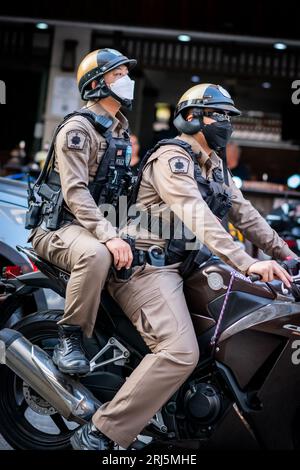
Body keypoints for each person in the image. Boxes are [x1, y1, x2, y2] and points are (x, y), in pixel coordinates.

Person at [70, 83, 296, 450]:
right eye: (216, 115)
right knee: (180, 352)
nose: (225, 123)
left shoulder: (215, 163)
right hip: (147, 266)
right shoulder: (172, 159)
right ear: (190, 118)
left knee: (243, 319)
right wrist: (246, 261)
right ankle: (100, 433)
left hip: (186, 265)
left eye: (228, 117)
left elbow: (245, 213)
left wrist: (285, 254)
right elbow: (197, 215)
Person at [27, 48, 136, 375]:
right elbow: (75, 192)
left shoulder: (119, 131)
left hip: (92, 225)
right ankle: (69, 337)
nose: (126, 81)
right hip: (57, 228)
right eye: (118, 75)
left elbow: (118, 190)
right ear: (97, 84)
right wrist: (109, 236)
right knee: (96, 255)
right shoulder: (78, 129)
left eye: (126, 75)